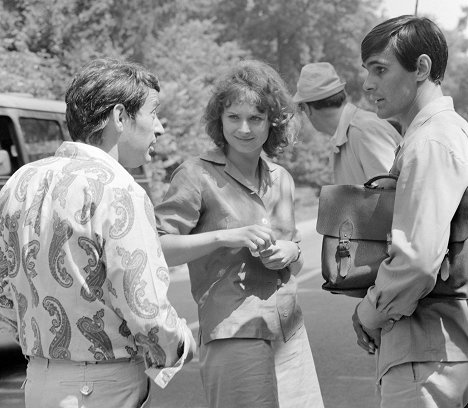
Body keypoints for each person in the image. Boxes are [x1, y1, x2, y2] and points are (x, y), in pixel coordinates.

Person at [0, 58, 196, 408]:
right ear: (120, 117)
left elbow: (4, 294)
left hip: (38, 382)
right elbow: (145, 308)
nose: (160, 128)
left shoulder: (19, 183)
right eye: (154, 113)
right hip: (104, 387)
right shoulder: (119, 190)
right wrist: (180, 343)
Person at [155, 59, 324, 408]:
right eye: (234, 117)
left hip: (289, 330)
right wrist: (224, 237)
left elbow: (293, 250)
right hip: (233, 332)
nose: (244, 129)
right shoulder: (195, 175)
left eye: (255, 118)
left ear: (272, 122)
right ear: (219, 121)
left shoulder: (282, 178)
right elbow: (158, 248)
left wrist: (289, 253)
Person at [351, 15, 468, 407]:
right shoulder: (439, 134)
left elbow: (416, 260)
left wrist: (369, 313)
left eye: (380, 70)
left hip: (429, 352)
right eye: (368, 70)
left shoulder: (431, 141)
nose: (368, 84)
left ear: (421, 68)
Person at [293, 62, 401, 184]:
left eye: (301, 108)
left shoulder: (364, 132)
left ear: (307, 109)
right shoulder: (349, 135)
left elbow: (391, 193)